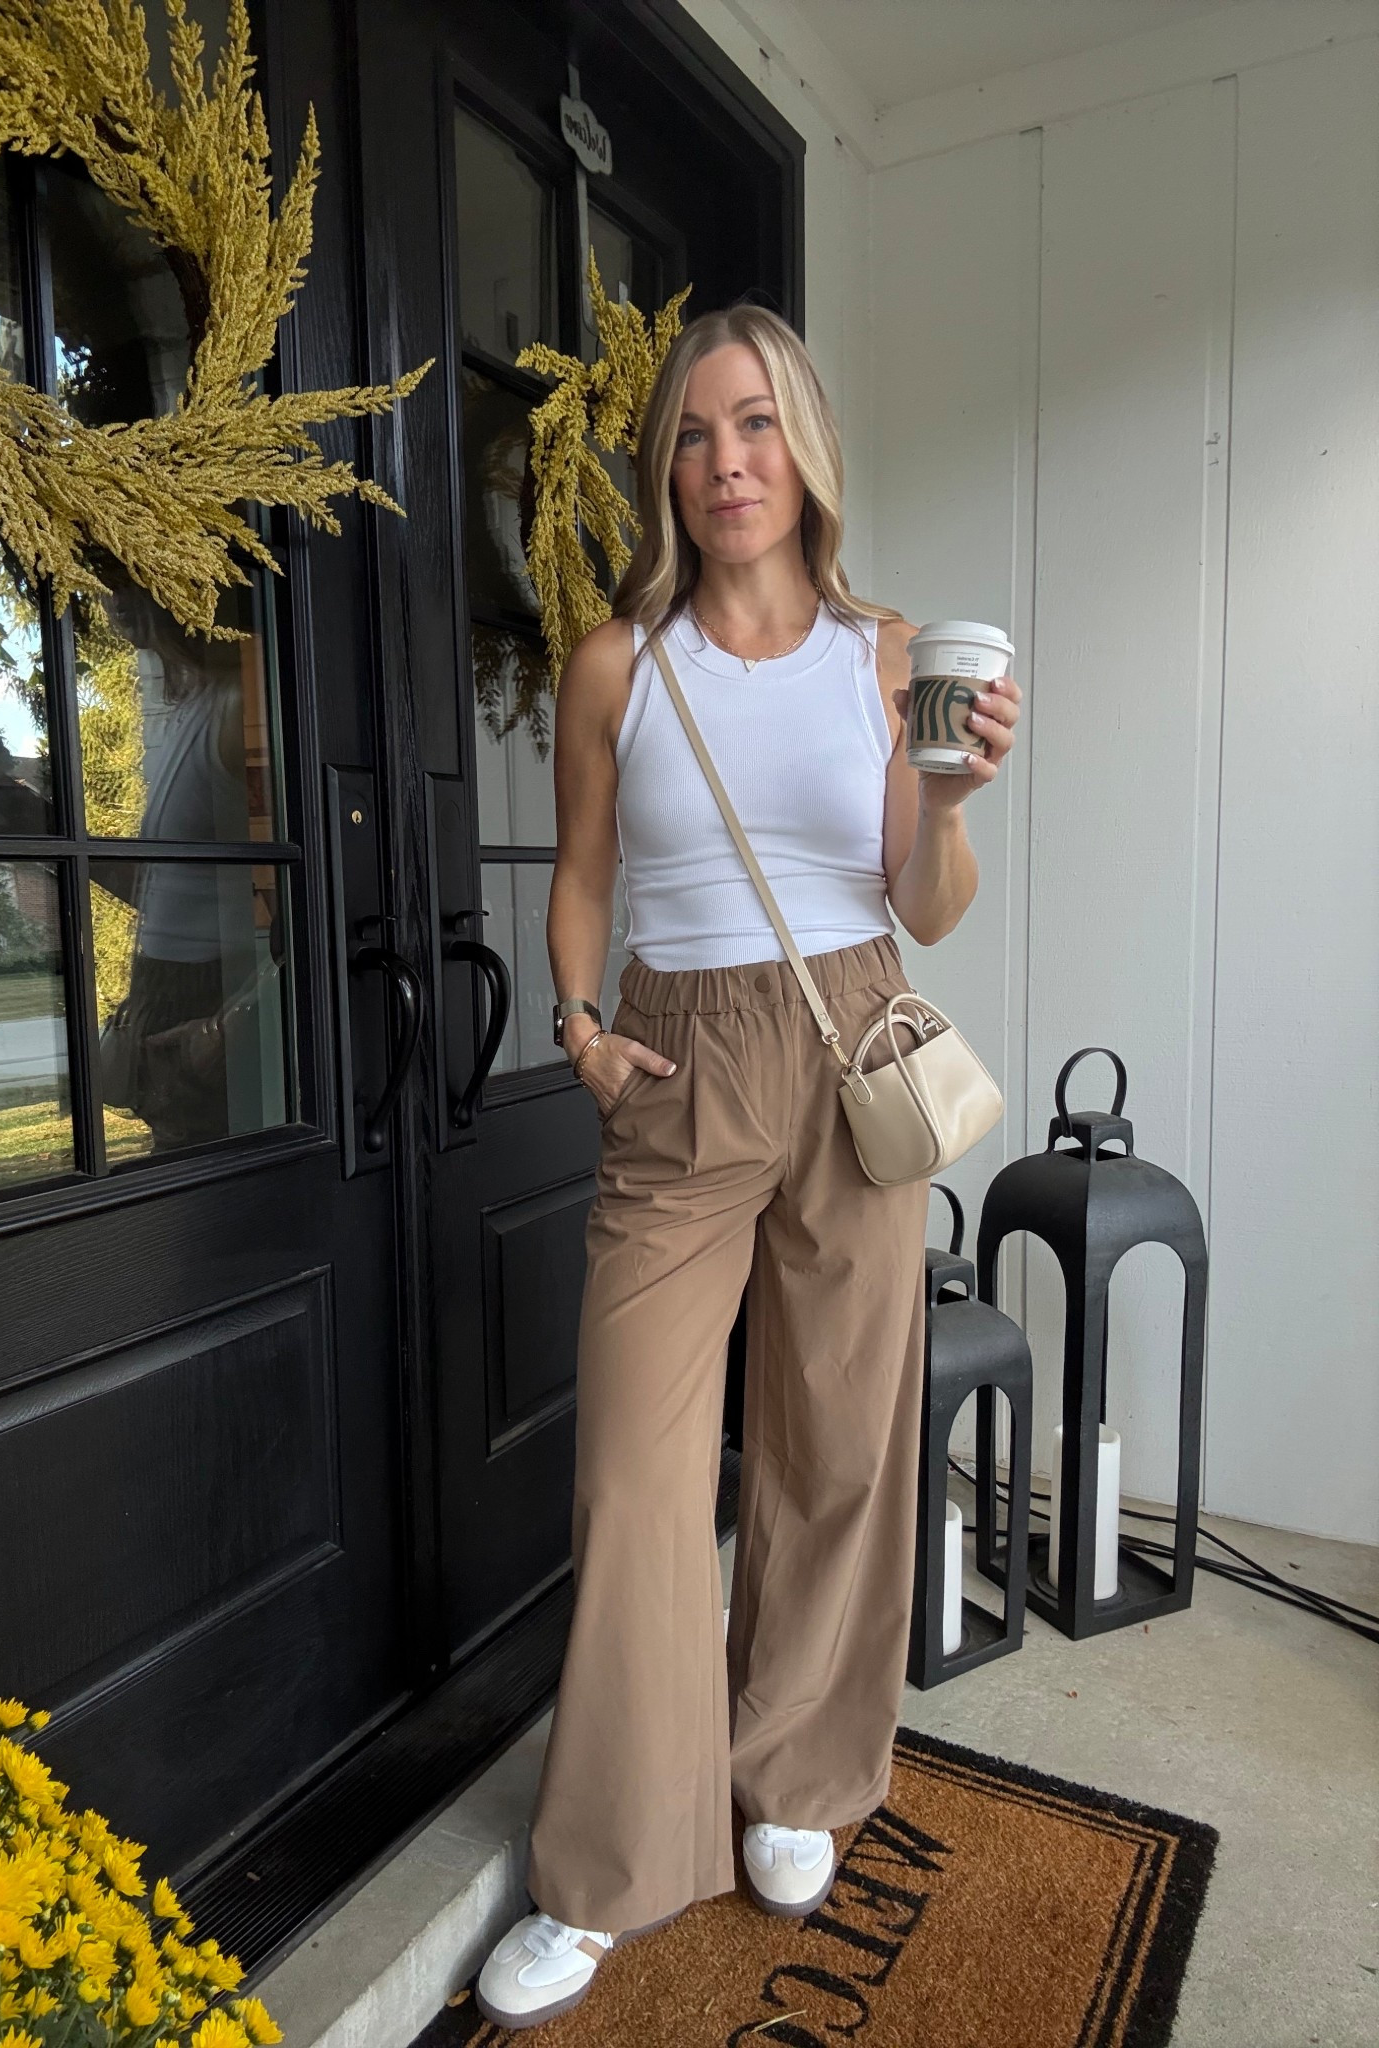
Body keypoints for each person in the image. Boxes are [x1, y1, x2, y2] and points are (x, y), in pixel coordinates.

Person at [476, 303, 1022, 2031]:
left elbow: (924, 902)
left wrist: (946, 800)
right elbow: (578, 878)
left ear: (807, 449)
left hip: (853, 1036)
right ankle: (612, 1863)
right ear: (669, 468)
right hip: (678, 1061)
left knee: (839, 1438)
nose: (728, 461)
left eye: (759, 425)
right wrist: (576, 1023)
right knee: (639, 1471)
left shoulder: (888, 655)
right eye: (699, 433)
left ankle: (792, 1777)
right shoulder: (617, 665)